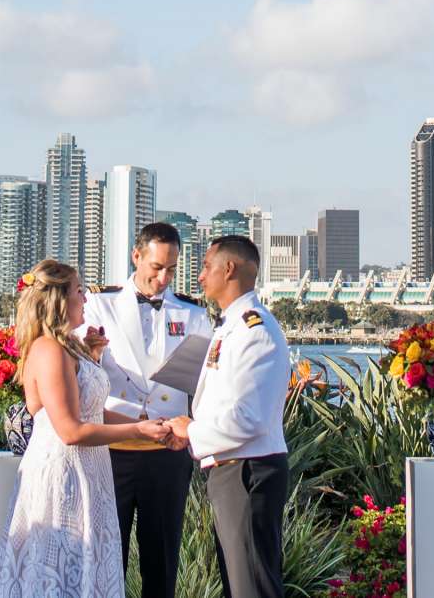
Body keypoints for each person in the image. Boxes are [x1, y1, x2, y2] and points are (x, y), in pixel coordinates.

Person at [0, 258, 177, 598]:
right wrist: (138, 432)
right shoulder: (48, 350)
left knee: (82, 572)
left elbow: (90, 411)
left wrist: (147, 423)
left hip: (88, 471)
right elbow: (71, 430)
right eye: (79, 291)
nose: (86, 299)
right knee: (60, 573)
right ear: (59, 299)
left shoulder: (68, 348)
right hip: (65, 476)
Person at [82, 220, 213, 598]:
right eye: (157, 267)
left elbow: (201, 385)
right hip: (113, 448)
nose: (164, 277)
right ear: (136, 256)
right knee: (109, 556)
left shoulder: (194, 314)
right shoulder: (98, 305)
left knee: (162, 558)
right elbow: (79, 371)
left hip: (167, 450)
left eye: (172, 268)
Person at [167, 234, 292, 598]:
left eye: (207, 267)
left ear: (230, 268)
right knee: (241, 583)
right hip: (232, 467)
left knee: (251, 585)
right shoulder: (232, 326)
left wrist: (192, 431)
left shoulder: (256, 332)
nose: (201, 276)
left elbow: (247, 417)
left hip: (248, 470)